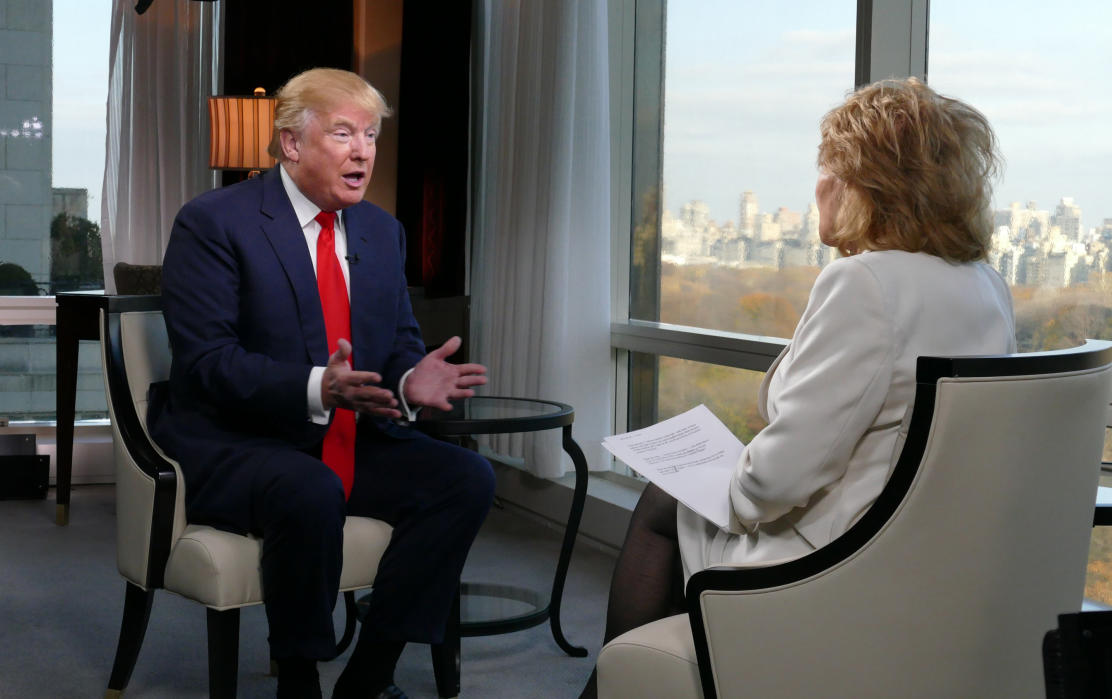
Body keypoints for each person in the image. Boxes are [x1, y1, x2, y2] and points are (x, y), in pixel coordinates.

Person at [581, 77, 1015, 696]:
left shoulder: (865, 285)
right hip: (912, 554)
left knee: (659, 501)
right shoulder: (983, 285)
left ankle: (621, 684)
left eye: (829, 167)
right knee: (679, 498)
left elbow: (775, 484)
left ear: (867, 184)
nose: (818, 185)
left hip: (829, 563)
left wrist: (721, 480)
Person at [149, 68, 495, 699]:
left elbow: (397, 345)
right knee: (306, 488)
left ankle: (371, 673)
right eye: (343, 133)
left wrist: (411, 380)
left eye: (370, 134)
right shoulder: (214, 223)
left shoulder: (380, 232)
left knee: (465, 477)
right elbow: (208, 364)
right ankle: (300, 679)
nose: (363, 150)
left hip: (346, 434)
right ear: (290, 144)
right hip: (238, 441)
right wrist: (318, 388)